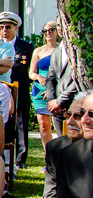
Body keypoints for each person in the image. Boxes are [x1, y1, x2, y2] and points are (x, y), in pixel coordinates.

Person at [0, 11, 33, 168]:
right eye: (2, 27)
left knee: (21, 121)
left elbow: (30, 68)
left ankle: (21, 157)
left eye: (8, 27)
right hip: (1, 88)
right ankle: (2, 152)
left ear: (16, 28)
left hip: (20, 88)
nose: (4, 30)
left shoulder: (25, 46)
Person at [30, 21, 61, 151]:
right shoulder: (38, 51)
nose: (48, 33)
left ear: (57, 32)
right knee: (43, 125)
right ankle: (48, 156)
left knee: (59, 124)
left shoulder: (62, 49)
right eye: (45, 31)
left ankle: (62, 154)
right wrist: (39, 77)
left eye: (51, 30)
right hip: (39, 90)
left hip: (57, 89)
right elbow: (31, 73)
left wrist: (52, 89)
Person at [45, 40, 78, 136]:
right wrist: (52, 102)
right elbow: (50, 78)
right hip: (56, 108)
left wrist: (60, 101)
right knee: (61, 140)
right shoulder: (56, 51)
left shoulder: (78, 49)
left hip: (74, 103)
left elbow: (78, 80)